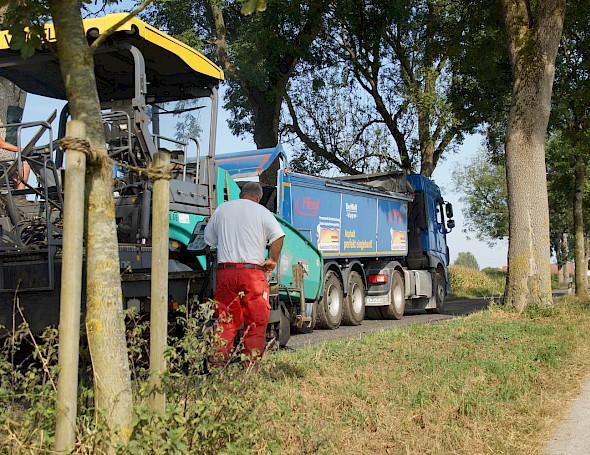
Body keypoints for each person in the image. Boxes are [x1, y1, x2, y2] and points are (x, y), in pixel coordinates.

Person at [204, 181, 285, 367]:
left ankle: (217, 366)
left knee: (225, 321)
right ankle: (250, 366)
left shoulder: (222, 210)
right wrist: (272, 260)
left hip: (226, 273)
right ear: (258, 198)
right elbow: (278, 236)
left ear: (241, 194)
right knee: (255, 321)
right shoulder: (262, 212)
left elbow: (209, 240)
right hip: (252, 273)